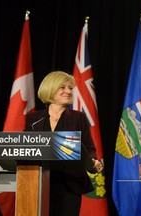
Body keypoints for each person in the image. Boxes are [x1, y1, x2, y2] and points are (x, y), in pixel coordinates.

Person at [25, 71, 103, 216]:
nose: (68, 91)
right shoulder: (34, 118)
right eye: (63, 87)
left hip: (69, 185)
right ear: (50, 89)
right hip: (38, 184)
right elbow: (26, 148)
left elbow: (89, 148)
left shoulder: (78, 117)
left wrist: (94, 161)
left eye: (70, 88)